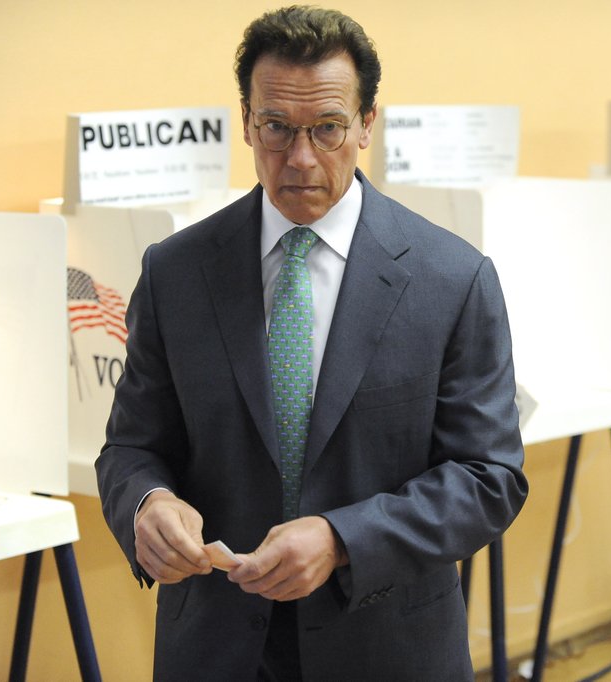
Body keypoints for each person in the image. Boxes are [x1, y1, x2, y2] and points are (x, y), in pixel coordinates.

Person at [96, 6, 527, 680]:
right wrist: (147, 504)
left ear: (365, 124)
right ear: (247, 122)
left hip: (385, 646)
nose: (300, 158)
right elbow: (130, 447)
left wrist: (342, 538)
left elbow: (489, 477)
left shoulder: (452, 279)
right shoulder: (175, 271)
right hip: (215, 645)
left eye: (327, 128)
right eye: (276, 128)